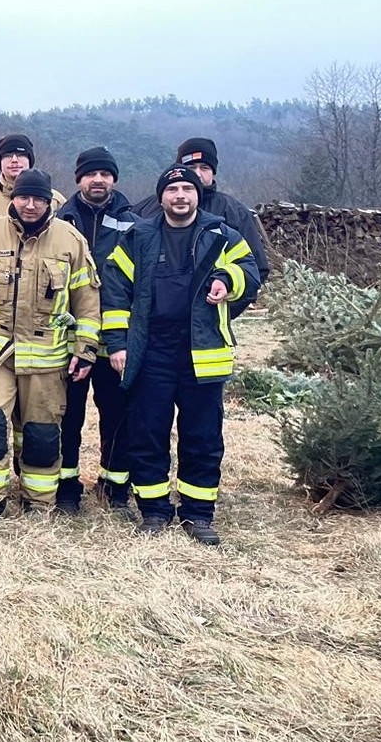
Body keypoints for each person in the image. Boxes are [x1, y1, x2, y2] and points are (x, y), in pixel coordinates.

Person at [102, 165, 259, 545]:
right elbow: (115, 289)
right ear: (161, 198)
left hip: (201, 353)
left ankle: (197, 514)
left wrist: (226, 280)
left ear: (197, 194)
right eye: (172, 190)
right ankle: (154, 511)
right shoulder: (138, 236)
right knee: (148, 432)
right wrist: (119, 343)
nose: (180, 196)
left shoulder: (222, 234)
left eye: (187, 189)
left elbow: (251, 272)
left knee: (202, 437)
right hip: (152, 351)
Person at [0, 169, 100, 519]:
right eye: (23, 197)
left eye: (38, 199)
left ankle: (38, 502)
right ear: (13, 198)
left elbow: (87, 302)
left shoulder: (71, 240)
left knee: (42, 434)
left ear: (49, 201)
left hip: (48, 357)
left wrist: (85, 348)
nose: (30, 205)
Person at [53, 146, 141, 514]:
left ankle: (114, 486)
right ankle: (67, 486)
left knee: (117, 416)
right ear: (79, 179)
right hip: (69, 341)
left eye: (105, 174)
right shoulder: (60, 220)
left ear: (114, 179)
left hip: (115, 342)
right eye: (91, 174)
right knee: (67, 416)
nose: (98, 180)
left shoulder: (134, 222)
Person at [131, 137, 271, 286]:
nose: (197, 173)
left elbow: (255, 270)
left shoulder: (234, 212)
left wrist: (224, 301)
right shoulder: (145, 210)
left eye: (204, 167)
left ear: (213, 172)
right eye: (191, 167)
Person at [0, 134, 66, 250]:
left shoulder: (56, 201)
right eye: (8, 155)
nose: (14, 160)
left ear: (30, 160)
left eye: (20, 155)